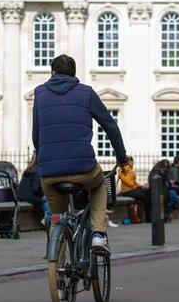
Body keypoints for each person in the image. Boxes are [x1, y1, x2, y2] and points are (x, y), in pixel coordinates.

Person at [32, 54, 126, 255]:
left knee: (57, 213)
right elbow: (110, 126)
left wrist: (44, 158)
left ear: (53, 72)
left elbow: (36, 133)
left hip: (49, 172)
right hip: (83, 168)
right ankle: (98, 235)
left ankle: (57, 255)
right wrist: (121, 157)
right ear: (75, 74)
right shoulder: (86, 93)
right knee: (100, 185)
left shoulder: (39, 94)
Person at [18, 155, 50, 225]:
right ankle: (47, 219)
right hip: (31, 198)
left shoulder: (29, 169)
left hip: (22, 196)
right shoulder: (38, 170)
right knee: (47, 199)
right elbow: (36, 189)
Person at [118, 156, 150, 222]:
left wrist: (140, 185)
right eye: (131, 160)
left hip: (131, 189)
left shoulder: (129, 169)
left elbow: (132, 182)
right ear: (128, 161)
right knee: (146, 197)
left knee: (147, 193)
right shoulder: (125, 169)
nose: (133, 162)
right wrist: (137, 186)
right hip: (128, 190)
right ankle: (147, 217)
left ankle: (147, 217)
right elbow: (128, 181)